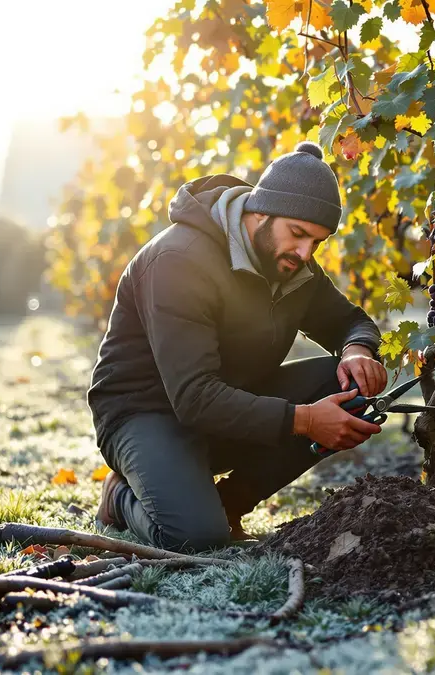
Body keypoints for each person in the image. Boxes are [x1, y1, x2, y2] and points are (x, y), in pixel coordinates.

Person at [86, 141, 389, 552]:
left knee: (343, 387)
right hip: (146, 413)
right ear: (259, 212)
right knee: (194, 537)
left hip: (227, 406)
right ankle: (121, 498)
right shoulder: (179, 260)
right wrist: (304, 421)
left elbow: (349, 320)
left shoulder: (290, 264)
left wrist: (358, 350)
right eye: (298, 234)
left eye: (316, 243)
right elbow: (193, 397)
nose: (305, 253)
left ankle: (228, 505)